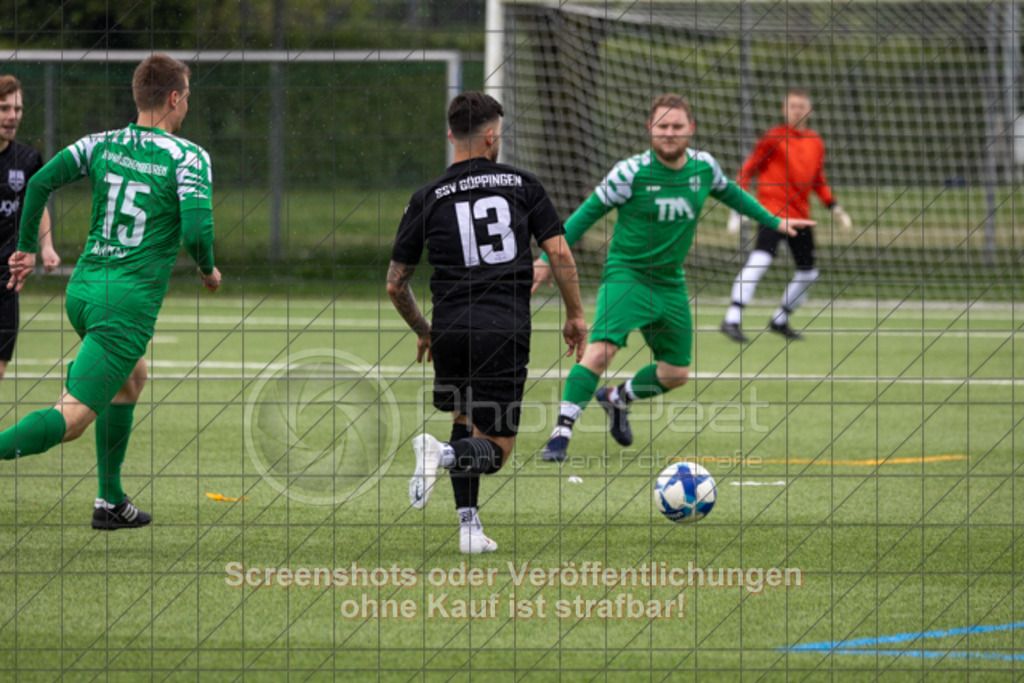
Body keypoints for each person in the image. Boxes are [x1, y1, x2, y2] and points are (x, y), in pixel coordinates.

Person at [1, 54, 221, 530]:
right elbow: (199, 233)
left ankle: (110, 501)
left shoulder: (102, 143)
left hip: (83, 292)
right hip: (124, 304)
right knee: (74, 420)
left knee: (131, 379)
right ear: (175, 98)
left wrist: (25, 250)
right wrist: (207, 269)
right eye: (187, 98)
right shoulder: (188, 157)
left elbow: (39, 182)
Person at [534, 93, 813, 463]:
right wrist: (544, 258)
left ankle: (616, 398)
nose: (669, 133)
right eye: (662, 126)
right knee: (601, 350)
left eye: (677, 126)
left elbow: (732, 194)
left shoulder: (703, 168)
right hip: (627, 275)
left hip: (670, 282)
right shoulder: (629, 173)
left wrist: (775, 221)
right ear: (650, 129)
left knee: (676, 373)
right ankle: (560, 435)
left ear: (691, 129)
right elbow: (585, 216)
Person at [388, 91, 586, 554]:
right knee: (495, 449)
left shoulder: (426, 197)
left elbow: (395, 284)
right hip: (502, 327)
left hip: (451, 328)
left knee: (464, 416)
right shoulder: (523, 184)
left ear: (450, 135)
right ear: (492, 135)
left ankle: (468, 527)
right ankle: (444, 454)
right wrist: (575, 314)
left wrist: (423, 330)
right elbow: (557, 251)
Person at [720, 88, 851, 342]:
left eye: (802, 106)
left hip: (801, 216)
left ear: (810, 111)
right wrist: (738, 207)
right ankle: (732, 318)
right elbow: (747, 170)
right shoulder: (772, 138)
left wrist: (834, 207)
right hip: (774, 214)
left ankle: (780, 319)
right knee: (760, 261)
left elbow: (818, 181)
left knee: (809, 273)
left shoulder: (815, 141)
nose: (797, 110)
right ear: (784, 110)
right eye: (792, 106)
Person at [0, 75, 62, 382]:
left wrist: (46, 246)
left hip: (6, 280)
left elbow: (36, 206)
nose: (12, 116)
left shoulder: (27, 159)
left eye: (18, 109)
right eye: (4, 108)